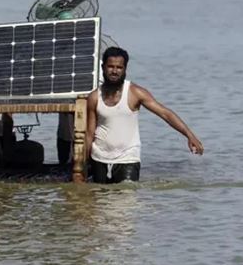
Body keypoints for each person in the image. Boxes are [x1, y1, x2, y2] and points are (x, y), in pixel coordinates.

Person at [86, 47, 204, 184]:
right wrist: (82, 165)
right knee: (99, 199)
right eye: (110, 66)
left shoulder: (135, 93)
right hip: (99, 158)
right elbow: (89, 133)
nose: (114, 71)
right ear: (103, 67)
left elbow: (165, 114)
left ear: (125, 69)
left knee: (126, 198)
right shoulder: (94, 97)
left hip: (128, 159)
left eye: (119, 67)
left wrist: (189, 135)